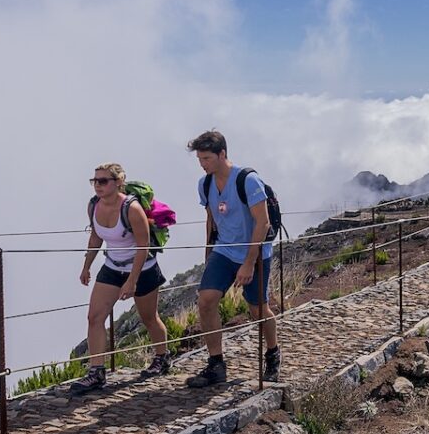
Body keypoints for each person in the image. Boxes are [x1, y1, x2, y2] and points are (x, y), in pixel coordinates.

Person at [185, 129, 280, 388]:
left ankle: (273, 354)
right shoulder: (204, 184)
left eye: (206, 158)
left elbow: (263, 222)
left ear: (222, 154)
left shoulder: (248, 181)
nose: (202, 164)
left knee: (257, 309)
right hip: (224, 250)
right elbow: (211, 219)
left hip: (255, 251)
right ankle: (216, 364)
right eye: (200, 159)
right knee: (206, 300)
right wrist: (208, 252)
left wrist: (249, 262)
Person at [71, 162, 171, 395]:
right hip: (112, 267)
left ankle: (162, 356)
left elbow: (144, 246)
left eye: (103, 181)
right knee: (94, 317)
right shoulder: (93, 206)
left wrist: (132, 281)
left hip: (142, 268)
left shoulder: (132, 209)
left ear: (118, 183)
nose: (97, 186)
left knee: (148, 317)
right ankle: (97, 371)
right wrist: (86, 266)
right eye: (94, 181)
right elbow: (96, 237)